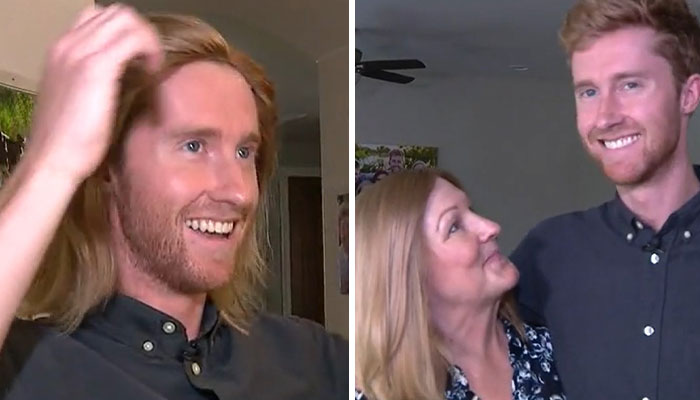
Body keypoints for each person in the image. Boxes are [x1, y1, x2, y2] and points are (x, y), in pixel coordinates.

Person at [0, 4, 348, 399]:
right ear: (108, 167)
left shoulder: (312, 359)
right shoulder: (28, 370)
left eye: (244, 153)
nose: (237, 191)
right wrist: (52, 164)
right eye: (194, 146)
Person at [510, 0, 700, 398]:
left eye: (630, 85)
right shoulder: (548, 254)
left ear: (688, 94)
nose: (604, 117)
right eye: (589, 91)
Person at [355, 169, 565, 400]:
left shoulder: (553, 350)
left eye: (472, 211)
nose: (491, 227)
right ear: (408, 274)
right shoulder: (382, 392)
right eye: (454, 226)